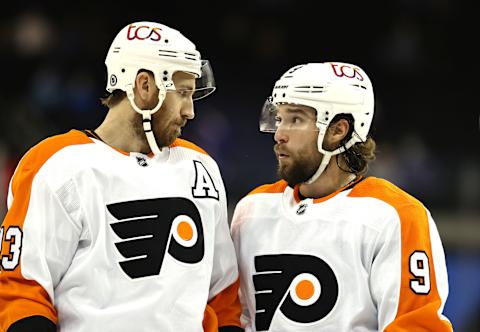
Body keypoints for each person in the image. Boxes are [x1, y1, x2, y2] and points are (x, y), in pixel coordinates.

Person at [0, 21, 243, 332]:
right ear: (144, 86)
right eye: (182, 93)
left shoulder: (200, 166)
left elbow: (222, 295)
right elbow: (20, 291)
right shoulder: (57, 163)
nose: (190, 111)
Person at [230, 62, 453, 331]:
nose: (279, 134)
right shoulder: (252, 209)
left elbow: (416, 325)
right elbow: (230, 316)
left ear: (338, 130)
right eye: (279, 119)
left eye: (296, 119)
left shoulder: (396, 215)